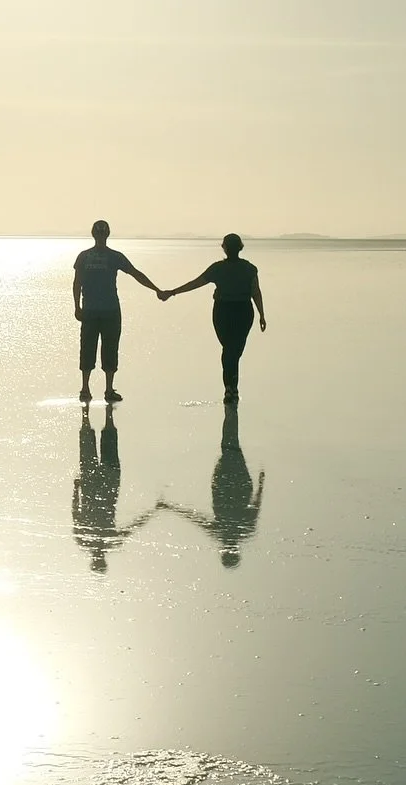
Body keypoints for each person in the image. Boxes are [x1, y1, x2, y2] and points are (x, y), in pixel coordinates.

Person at [158, 232, 266, 400]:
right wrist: (261, 314)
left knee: (229, 350)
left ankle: (230, 387)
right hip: (243, 311)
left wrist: (172, 292)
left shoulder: (219, 268)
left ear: (224, 248)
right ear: (240, 248)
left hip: (223, 311)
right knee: (234, 350)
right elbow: (256, 292)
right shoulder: (248, 268)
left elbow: (196, 283)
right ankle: (232, 387)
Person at [157, 401, 265, 567]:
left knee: (230, 448)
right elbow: (255, 506)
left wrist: (261, 484)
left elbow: (196, 518)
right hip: (235, 483)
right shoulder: (242, 529)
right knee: (230, 447)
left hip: (229, 483)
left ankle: (230, 411)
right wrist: (261, 483)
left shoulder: (236, 529)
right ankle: (231, 411)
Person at [72, 220, 162, 403]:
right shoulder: (114, 256)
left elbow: (77, 283)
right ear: (107, 234)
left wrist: (77, 306)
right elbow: (136, 274)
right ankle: (106, 389)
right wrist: (157, 290)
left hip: (92, 310)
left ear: (93, 234)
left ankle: (86, 388)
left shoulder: (84, 256)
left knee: (88, 348)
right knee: (109, 348)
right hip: (108, 310)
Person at [73, 404, 154, 573]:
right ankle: (100, 414)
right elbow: (132, 527)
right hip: (104, 486)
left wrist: (76, 489)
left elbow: (76, 513)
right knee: (102, 446)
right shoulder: (98, 540)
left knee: (92, 447)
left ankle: (91, 414)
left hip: (97, 487)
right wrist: (151, 513)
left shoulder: (88, 540)